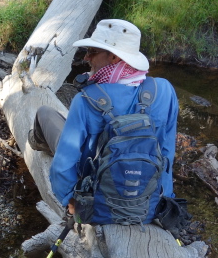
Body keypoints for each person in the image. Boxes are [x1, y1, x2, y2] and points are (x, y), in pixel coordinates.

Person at [28, 19, 179, 222]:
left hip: (96, 207)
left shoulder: (85, 99)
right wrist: (165, 199)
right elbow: (167, 154)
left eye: (92, 51)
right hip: (148, 208)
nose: (87, 57)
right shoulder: (165, 91)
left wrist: (70, 201)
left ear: (114, 57)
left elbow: (63, 165)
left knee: (45, 113)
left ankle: (34, 141)